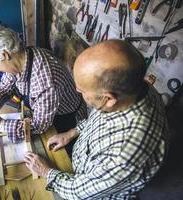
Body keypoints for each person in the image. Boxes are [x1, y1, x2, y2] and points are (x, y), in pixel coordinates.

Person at [24, 40, 169, 199]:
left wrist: (46, 172)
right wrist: (71, 133)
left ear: (109, 98)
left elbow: (79, 192)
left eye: (81, 91)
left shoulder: (124, 152)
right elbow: (100, 116)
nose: (77, 92)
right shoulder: (134, 89)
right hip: (82, 166)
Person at [0, 25, 87, 153]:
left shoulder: (45, 79)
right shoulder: (22, 58)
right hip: (48, 112)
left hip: (67, 121)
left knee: (62, 157)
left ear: (5, 54)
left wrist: (2, 125)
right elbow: (6, 85)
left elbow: (39, 125)